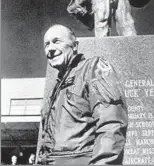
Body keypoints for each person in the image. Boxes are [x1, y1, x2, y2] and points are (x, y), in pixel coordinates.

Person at [36, 24, 128, 165]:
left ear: (75, 45)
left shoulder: (93, 69)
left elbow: (111, 123)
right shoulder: (54, 89)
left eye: (56, 41)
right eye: (46, 44)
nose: (51, 49)